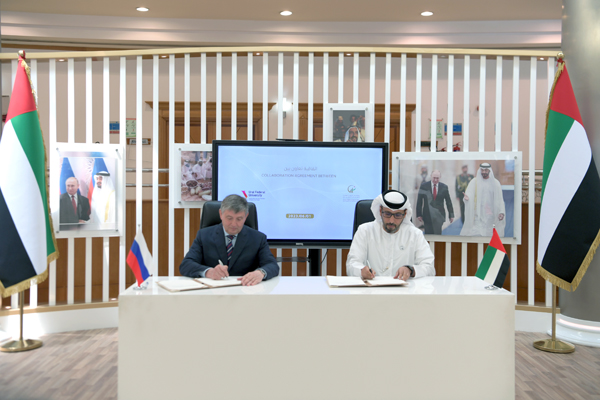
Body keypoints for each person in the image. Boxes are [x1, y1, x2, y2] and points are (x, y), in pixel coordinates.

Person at [179, 194, 279, 286]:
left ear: (246, 216)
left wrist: (260, 273)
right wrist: (209, 272)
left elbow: (272, 265)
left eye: (239, 219)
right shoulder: (204, 235)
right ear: (221, 214)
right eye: (229, 218)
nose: (234, 224)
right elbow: (186, 265)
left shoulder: (258, 238)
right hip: (212, 291)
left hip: (245, 289)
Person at [347, 190, 435, 281]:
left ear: (405, 214)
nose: (391, 221)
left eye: (397, 215)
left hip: (406, 288)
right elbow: (351, 264)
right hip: (372, 288)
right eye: (387, 214)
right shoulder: (365, 231)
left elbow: (430, 268)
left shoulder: (415, 234)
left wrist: (411, 270)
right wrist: (361, 271)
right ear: (380, 210)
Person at [460, 162, 506, 237]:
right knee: (476, 235)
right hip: (477, 215)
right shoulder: (474, 182)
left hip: (490, 217)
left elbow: (500, 199)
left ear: (489, 170)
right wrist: (467, 198)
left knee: (489, 236)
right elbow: (469, 194)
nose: (484, 172)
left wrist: (501, 212)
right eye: (482, 170)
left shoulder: (495, 183)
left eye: (486, 170)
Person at [416, 170, 454, 234]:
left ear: (440, 177)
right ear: (431, 176)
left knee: (437, 235)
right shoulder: (424, 186)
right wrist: (419, 214)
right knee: (428, 235)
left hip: (439, 216)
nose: (435, 180)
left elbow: (448, 202)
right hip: (427, 215)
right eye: (434, 178)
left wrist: (451, 215)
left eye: (437, 178)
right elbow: (419, 201)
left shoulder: (444, 187)